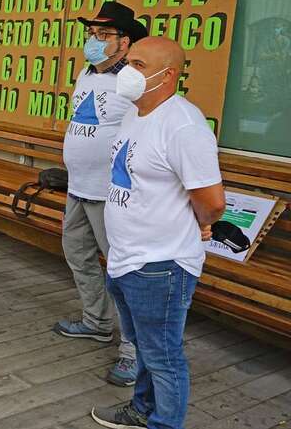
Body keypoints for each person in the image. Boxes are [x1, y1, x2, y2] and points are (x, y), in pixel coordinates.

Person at [91, 37, 225, 429]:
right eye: (127, 62)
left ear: (167, 76)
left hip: (161, 266)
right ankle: (141, 410)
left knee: (163, 357)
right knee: (147, 352)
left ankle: (164, 422)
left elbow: (212, 200)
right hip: (125, 259)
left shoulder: (184, 126)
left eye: (138, 64)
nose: (127, 71)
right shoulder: (135, 114)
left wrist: (202, 222)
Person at [55, 1, 147, 387]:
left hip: (112, 194)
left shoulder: (134, 81)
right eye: (91, 33)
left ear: (125, 43)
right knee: (77, 255)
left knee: (123, 270)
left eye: (104, 35)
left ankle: (133, 351)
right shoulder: (87, 73)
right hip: (79, 188)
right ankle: (96, 322)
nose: (93, 41)